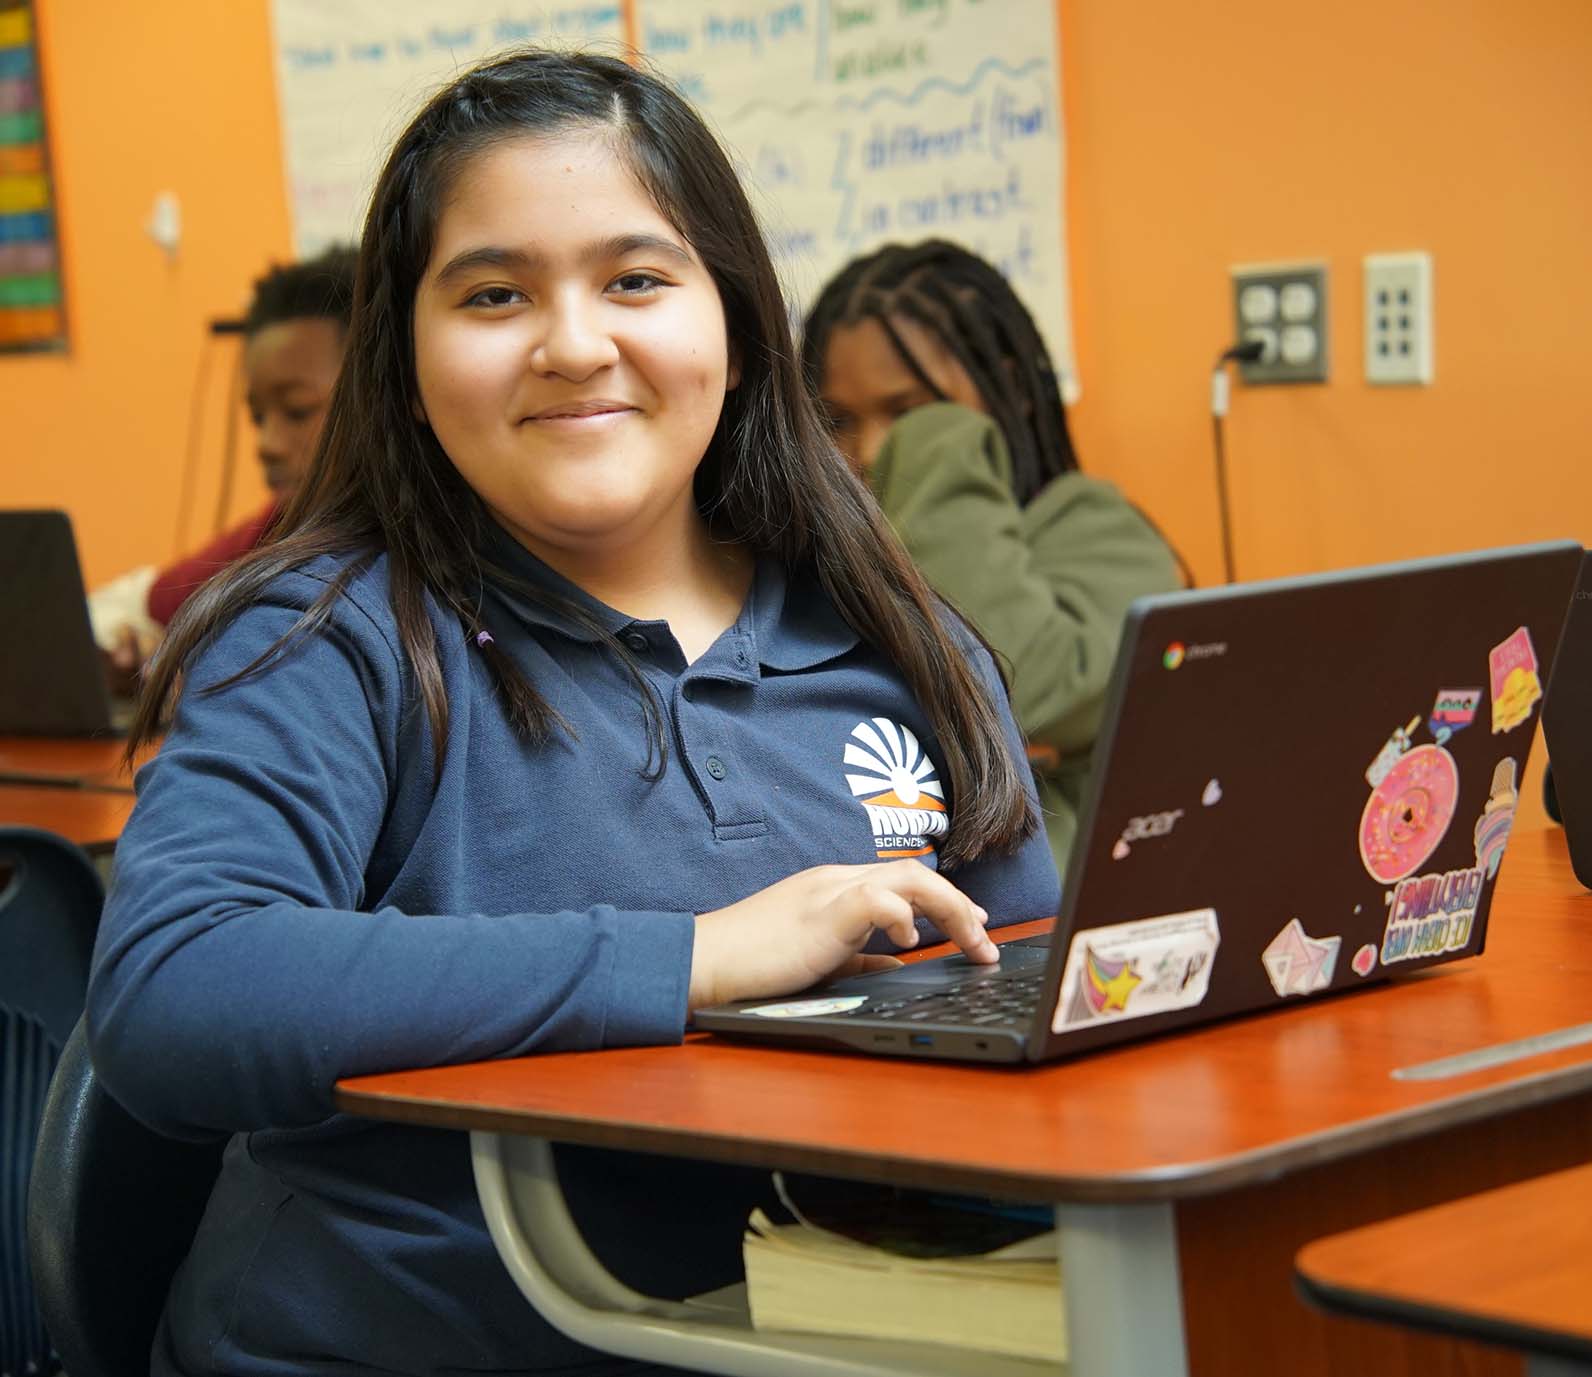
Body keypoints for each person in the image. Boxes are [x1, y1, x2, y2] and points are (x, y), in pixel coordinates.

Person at [86, 50, 1060, 1377]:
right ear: (409, 353)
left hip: (838, 1336)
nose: (574, 343)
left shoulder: (910, 644)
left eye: (636, 279)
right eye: (495, 293)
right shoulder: (328, 638)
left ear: (732, 318)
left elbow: (1041, 1019)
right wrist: (692, 958)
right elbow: (176, 990)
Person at [801, 241, 1185, 873]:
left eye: (908, 412)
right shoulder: (800, 568)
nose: (869, 451)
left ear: (1009, 387)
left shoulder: (1092, 527)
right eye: (838, 420)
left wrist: (935, 447)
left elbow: (1016, 683)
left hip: (1041, 924)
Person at [91, 246, 357, 689]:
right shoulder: (278, 529)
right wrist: (139, 650)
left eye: (296, 411)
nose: (266, 445)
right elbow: (134, 604)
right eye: (257, 417)